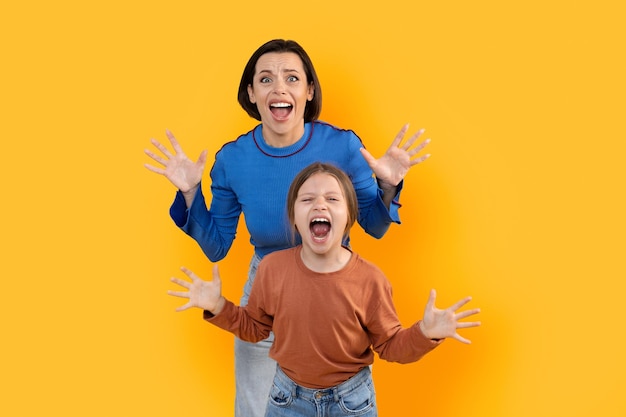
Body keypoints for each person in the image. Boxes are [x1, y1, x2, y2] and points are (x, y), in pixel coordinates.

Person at [144, 39, 430, 417]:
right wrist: (191, 193)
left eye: (292, 78)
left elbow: (376, 227)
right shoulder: (232, 159)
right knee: (255, 407)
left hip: (334, 285)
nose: (279, 88)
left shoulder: (344, 147)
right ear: (252, 93)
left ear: (308, 91)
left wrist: (389, 186)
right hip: (267, 287)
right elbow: (217, 247)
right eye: (266, 79)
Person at [167, 162, 481, 417]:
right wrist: (219, 306)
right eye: (307, 199)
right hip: (287, 399)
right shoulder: (272, 270)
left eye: (332, 199)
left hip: (352, 402)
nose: (320, 203)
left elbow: (391, 346)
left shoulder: (370, 280)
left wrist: (426, 333)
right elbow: (255, 328)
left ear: (349, 216)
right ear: (294, 217)